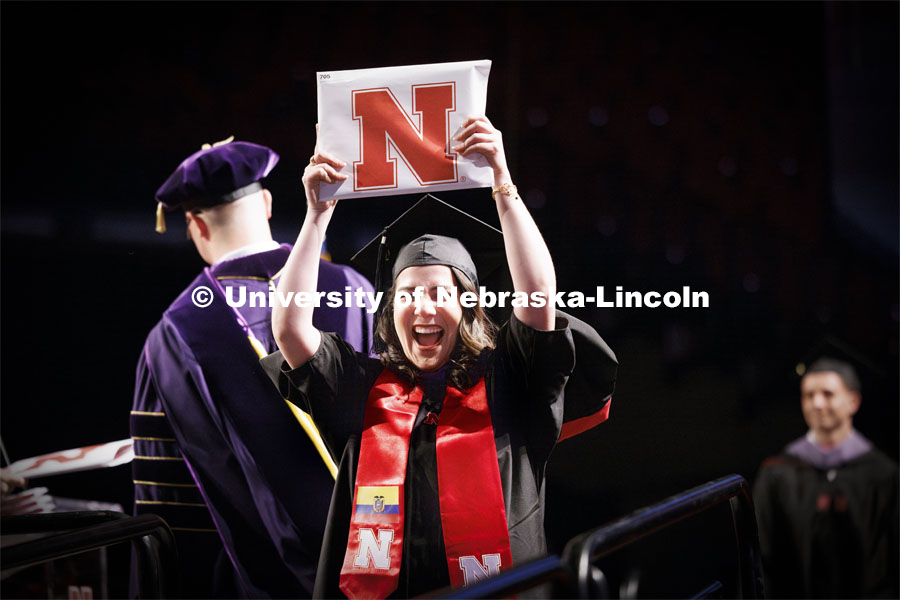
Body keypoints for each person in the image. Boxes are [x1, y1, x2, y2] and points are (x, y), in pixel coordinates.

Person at [262, 117, 617, 598]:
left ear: (467, 305)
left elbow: (537, 298)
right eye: (407, 294)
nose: (423, 307)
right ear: (390, 310)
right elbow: (288, 328)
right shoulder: (361, 390)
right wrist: (317, 216)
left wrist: (502, 182)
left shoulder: (511, 384)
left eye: (438, 293)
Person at [132, 138, 374, 598]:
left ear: (195, 225)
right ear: (265, 203)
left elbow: (170, 501)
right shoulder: (354, 289)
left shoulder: (172, 337)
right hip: (381, 552)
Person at [753, 357, 899, 599]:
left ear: (853, 401)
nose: (817, 403)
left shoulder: (883, 475)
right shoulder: (778, 473)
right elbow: (762, 554)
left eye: (828, 394)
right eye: (808, 395)